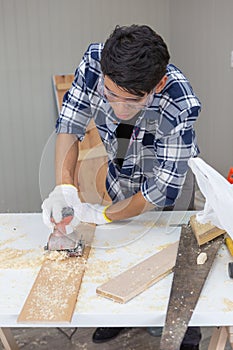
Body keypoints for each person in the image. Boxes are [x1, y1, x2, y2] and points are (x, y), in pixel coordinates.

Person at [42, 24, 201, 349]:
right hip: (121, 176)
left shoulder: (181, 104)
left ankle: (184, 332)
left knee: (174, 269)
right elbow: (69, 125)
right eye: (110, 94)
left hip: (169, 192)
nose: (118, 108)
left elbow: (161, 191)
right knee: (120, 254)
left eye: (130, 101)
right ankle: (119, 316)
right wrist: (66, 189)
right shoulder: (94, 63)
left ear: (158, 85)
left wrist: (104, 216)